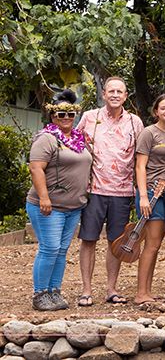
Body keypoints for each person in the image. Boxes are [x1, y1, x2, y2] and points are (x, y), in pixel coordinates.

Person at [77, 76, 144, 306]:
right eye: (111, 91)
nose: (115, 95)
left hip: (123, 191)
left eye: (120, 91)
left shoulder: (135, 122)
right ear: (104, 94)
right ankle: (86, 290)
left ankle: (111, 289)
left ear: (126, 96)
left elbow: (140, 157)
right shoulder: (89, 118)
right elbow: (75, 146)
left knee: (116, 242)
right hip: (94, 189)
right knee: (88, 239)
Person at [27, 90, 91, 311]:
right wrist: (44, 197)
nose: (66, 117)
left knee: (62, 249)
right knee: (50, 247)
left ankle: (54, 291)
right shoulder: (47, 137)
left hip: (73, 206)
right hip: (49, 206)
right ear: (53, 116)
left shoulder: (77, 138)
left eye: (70, 113)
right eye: (61, 114)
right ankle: (40, 293)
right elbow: (36, 168)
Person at [133, 93, 165, 306]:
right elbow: (140, 166)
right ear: (156, 112)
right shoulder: (149, 133)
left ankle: (147, 290)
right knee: (151, 244)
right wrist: (143, 196)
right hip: (152, 192)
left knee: (157, 243)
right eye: (164, 108)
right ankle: (141, 293)